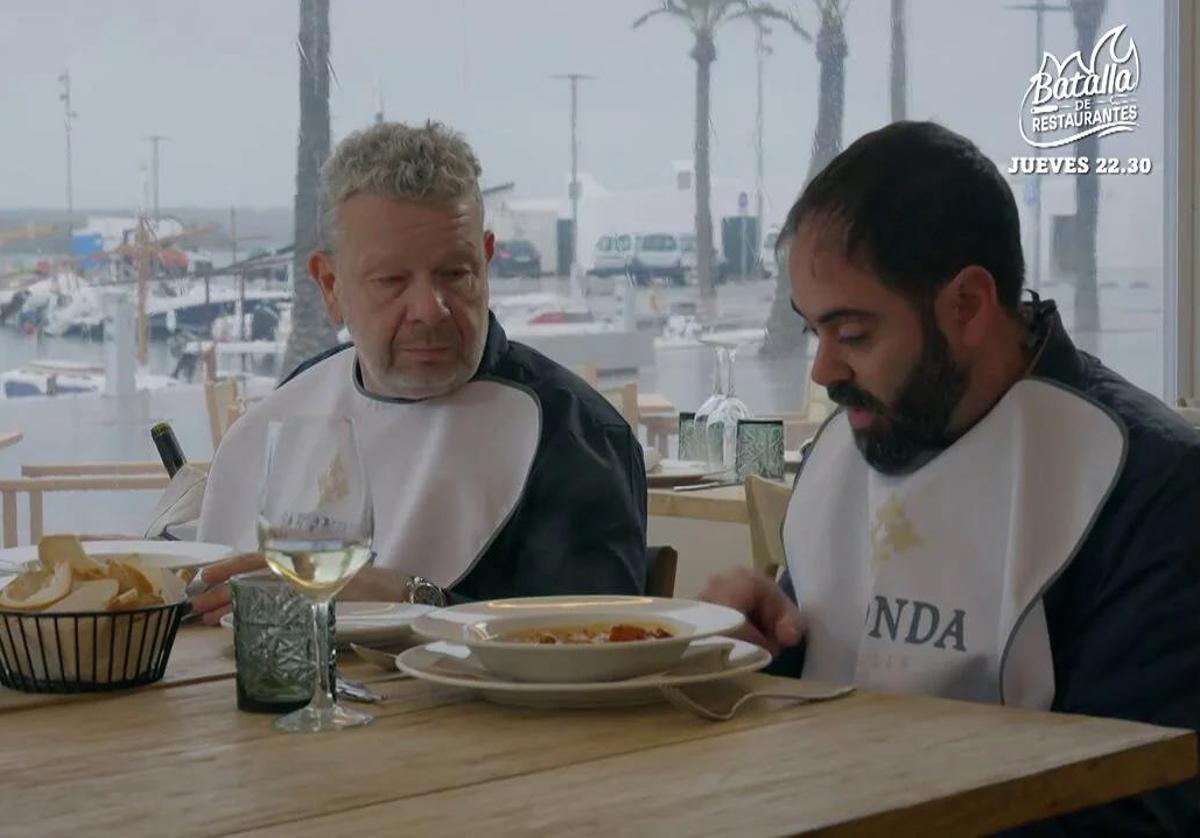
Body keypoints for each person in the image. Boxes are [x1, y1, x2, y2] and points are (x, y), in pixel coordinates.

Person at [701, 121, 1200, 834]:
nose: (823, 373)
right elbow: (824, 686)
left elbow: (1146, 802)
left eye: (853, 335)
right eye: (814, 332)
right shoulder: (859, 438)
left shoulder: (1151, 488)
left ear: (967, 306)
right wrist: (754, 652)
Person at [192, 120, 646, 622]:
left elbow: (599, 646)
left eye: (456, 274)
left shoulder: (574, 435)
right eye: (391, 280)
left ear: (487, 262)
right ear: (330, 285)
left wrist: (412, 599)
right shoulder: (292, 406)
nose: (430, 310)